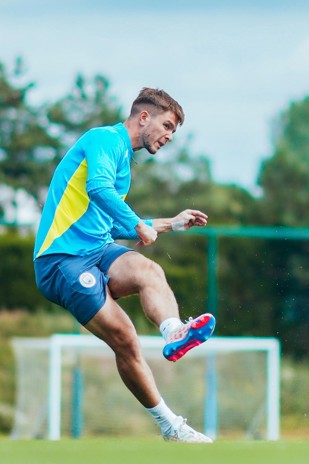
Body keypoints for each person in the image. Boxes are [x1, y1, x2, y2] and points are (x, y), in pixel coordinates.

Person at [33, 88, 216, 443]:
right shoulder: (105, 139)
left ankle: (174, 332)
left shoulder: (124, 166)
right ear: (143, 117)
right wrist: (138, 225)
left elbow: (111, 224)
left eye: (174, 132)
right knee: (126, 339)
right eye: (167, 125)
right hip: (61, 260)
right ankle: (171, 427)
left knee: (150, 272)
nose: (168, 136)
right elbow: (99, 188)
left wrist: (171, 223)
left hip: (96, 248)